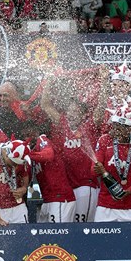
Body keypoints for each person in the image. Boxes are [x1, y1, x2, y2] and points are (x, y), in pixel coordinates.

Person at [41, 82, 100, 222]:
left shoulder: (89, 126)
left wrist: (104, 81)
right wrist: (48, 81)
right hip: (67, 188)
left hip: (85, 186)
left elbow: (101, 108)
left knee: (82, 227)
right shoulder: (63, 124)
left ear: (83, 115)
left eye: (75, 111)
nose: (71, 114)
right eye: (69, 111)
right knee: (68, 227)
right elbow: (45, 105)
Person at [93, 106, 131, 222]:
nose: (117, 129)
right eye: (115, 125)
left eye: (122, 126)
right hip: (106, 204)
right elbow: (93, 172)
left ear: (130, 128)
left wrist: (128, 191)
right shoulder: (104, 140)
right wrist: (98, 168)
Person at [27, 125, 77, 223]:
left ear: (35, 131)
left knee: (58, 232)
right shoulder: (32, 151)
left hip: (60, 198)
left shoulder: (42, 139)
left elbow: (49, 155)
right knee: (44, 232)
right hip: (48, 199)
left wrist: (27, 154)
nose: (26, 137)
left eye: (28, 134)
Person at [0, 140, 31, 225]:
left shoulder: (21, 154)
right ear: (7, 155)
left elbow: (25, 175)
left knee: (23, 233)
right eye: (14, 163)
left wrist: (24, 188)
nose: (16, 166)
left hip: (18, 207)